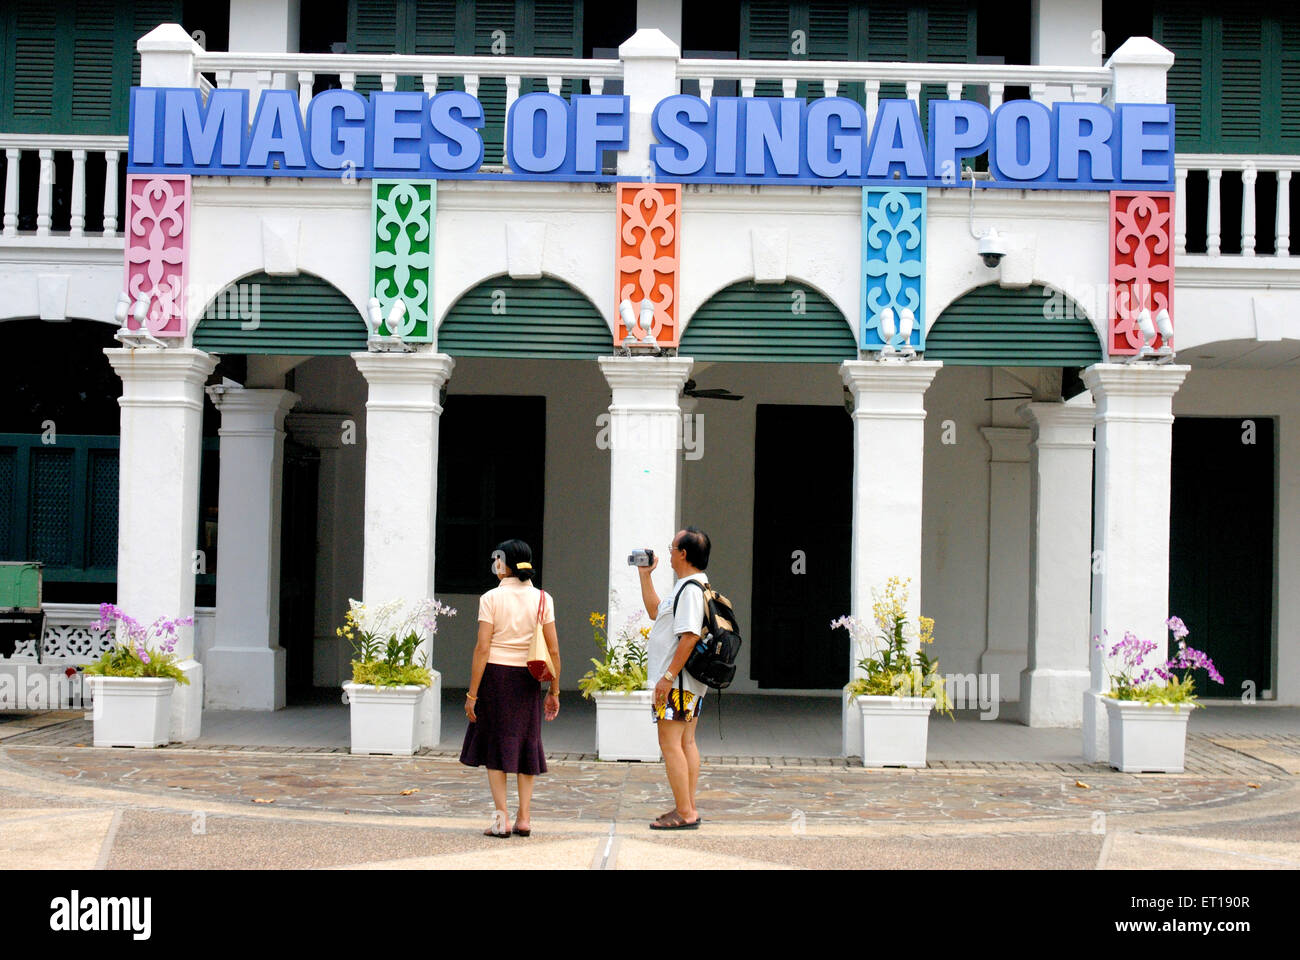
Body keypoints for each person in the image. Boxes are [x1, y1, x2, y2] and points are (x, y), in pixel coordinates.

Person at [460, 539, 560, 838]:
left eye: (497, 559)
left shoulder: (491, 598)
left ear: (505, 563)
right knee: (527, 744)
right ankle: (524, 817)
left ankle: (501, 820)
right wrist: (553, 691)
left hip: (495, 677)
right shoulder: (543, 598)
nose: (495, 564)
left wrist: (471, 694)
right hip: (528, 679)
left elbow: (482, 648)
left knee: (495, 749)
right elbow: (554, 651)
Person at [637, 526, 711, 830]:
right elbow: (656, 612)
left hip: (677, 684)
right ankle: (686, 806)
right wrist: (645, 575)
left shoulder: (692, 590)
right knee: (686, 743)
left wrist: (667, 677)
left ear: (683, 554)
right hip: (683, 684)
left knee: (671, 745)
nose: (667, 552)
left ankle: (686, 811)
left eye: (672, 547)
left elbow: (690, 637)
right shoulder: (686, 587)